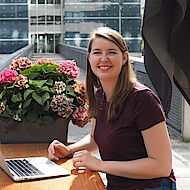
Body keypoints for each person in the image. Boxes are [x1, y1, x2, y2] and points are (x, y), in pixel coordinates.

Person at [48, 27, 177, 190]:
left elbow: (161, 166)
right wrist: (68, 150)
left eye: (111, 52)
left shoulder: (143, 99)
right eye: (97, 52)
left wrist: (100, 165)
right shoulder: (100, 96)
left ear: (125, 58)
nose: (104, 58)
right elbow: (97, 139)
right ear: (89, 58)